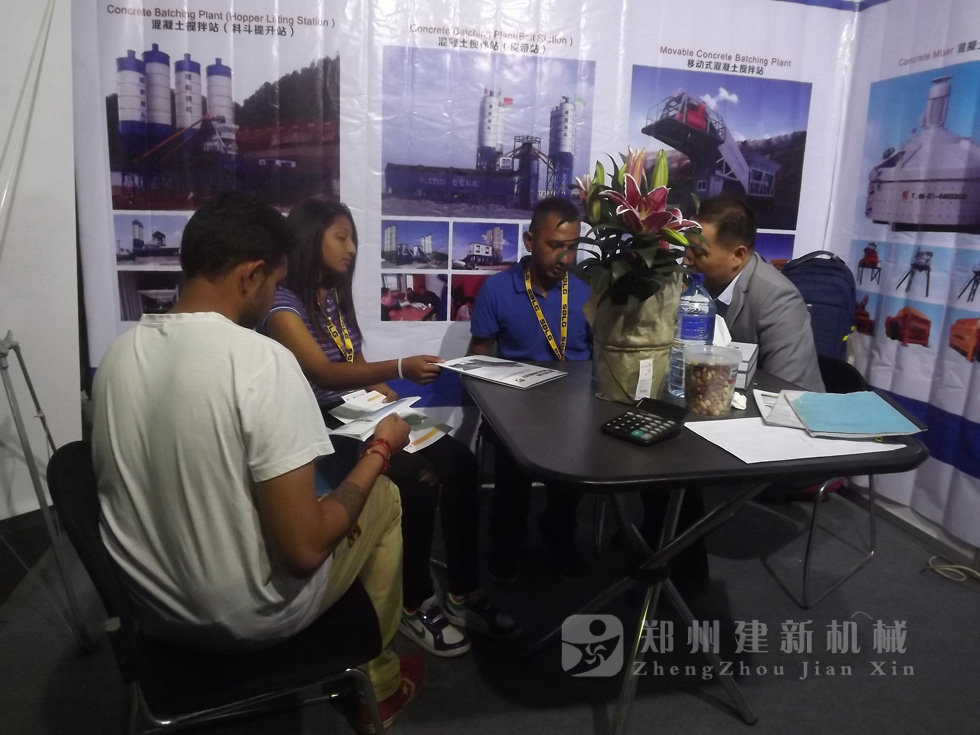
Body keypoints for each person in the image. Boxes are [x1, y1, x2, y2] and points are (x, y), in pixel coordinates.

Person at [91, 193, 424, 733]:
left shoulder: (118, 356)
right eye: (274, 283)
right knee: (383, 495)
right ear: (250, 276)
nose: (274, 297)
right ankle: (380, 684)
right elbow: (303, 550)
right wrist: (381, 449)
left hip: (153, 616)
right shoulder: (261, 362)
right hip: (248, 619)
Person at [263, 198, 519, 659]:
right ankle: (414, 602)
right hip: (321, 418)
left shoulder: (331, 296)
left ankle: (462, 591)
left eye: (353, 238)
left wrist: (394, 402)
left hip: (359, 407)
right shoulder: (283, 304)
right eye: (341, 237)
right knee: (417, 480)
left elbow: (353, 364)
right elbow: (324, 374)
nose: (352, 248)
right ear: (309, 238)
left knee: (459, 462)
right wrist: (401, 367)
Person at [467, 196, 592, 583]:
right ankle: (506, 542)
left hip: (573, 408)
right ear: (529, 241)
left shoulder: (588, 291)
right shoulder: (497, 289)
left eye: (572, 247)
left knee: (572, 475)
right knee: (511, 472)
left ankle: (560, 535)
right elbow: (479, 353)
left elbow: (603, 356)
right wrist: (487, 400)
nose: (565, 258)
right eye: (555, 246)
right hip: (516, 408)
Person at [686, 196, 824, 392]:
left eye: (698, 254)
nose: (686, 261)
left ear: (738, 255)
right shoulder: (695, 286)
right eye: (686, 249)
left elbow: (785, 391)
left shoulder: (779, 300)